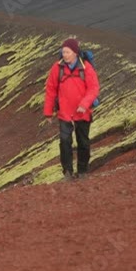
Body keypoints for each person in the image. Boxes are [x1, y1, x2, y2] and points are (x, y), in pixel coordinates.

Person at [43, 38, 100, 180]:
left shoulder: (86, 67)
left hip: (83, 112)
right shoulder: (57, 68)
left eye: (67, 52)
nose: (65, 55)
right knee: (65, 142)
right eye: (63, 52)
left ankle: (82, 172)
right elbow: (51, 90)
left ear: (75, 52)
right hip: (65, 112)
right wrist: (48, 112)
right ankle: (67, 173)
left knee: (83, 142)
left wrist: (84, 104)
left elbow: (93, 88)